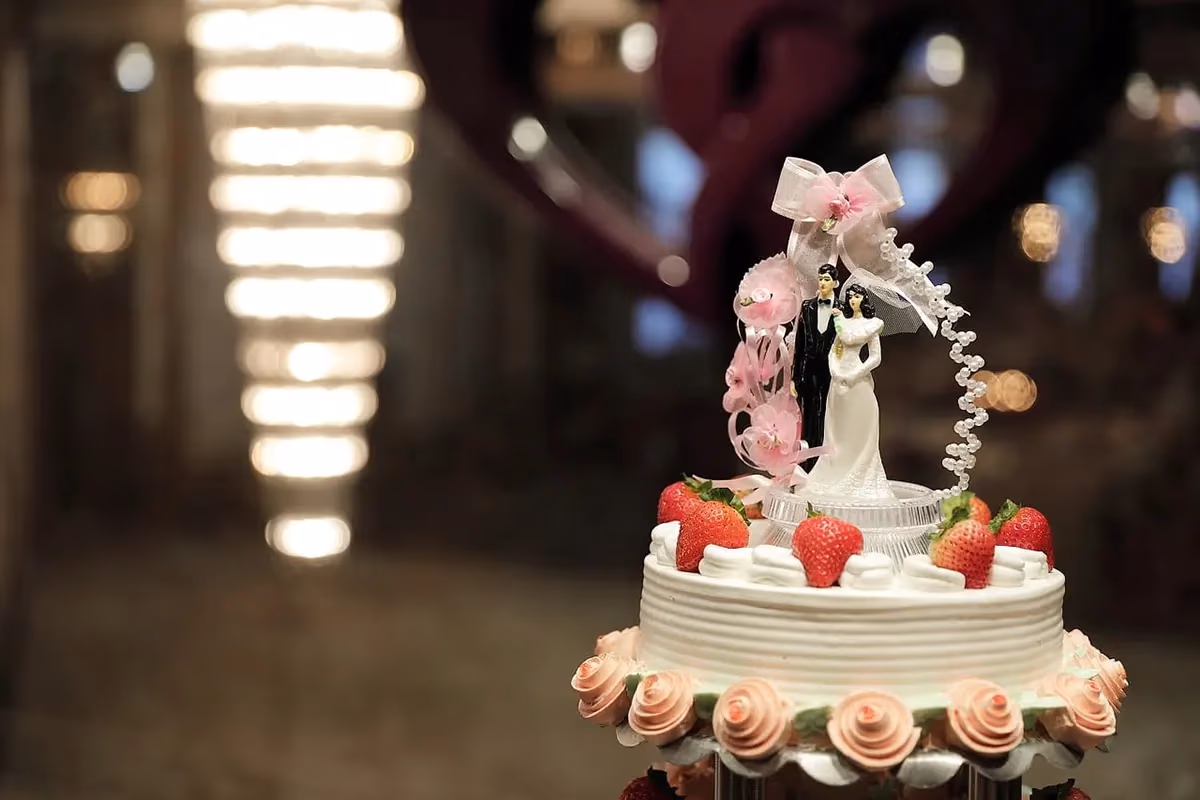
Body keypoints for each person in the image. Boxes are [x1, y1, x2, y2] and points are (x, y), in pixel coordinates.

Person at [805, 284, 894, 499]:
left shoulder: (871, 325)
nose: (853, 300)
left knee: (857, 428)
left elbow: (875, 357)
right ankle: (836, 468)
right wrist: (835, 370)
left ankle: (858, 471)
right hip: (838, 382)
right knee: (837, 427)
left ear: (864, 300)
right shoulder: (842, 322)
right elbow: (834, 350)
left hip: (857, 382)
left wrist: (855, 374)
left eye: (858, 296)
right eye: (851, 296)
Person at [796, 264, 839, 467]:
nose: (823, 283)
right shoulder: (807, 306)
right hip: (810, 366)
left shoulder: (842, 309)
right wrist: (795, 377)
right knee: (810, 414)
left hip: (832, 368)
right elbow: (799, 345)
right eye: (821, 278)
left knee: (828, 413)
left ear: (835, 283)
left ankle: (826, 464)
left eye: (827, 279)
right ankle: (807, 463)